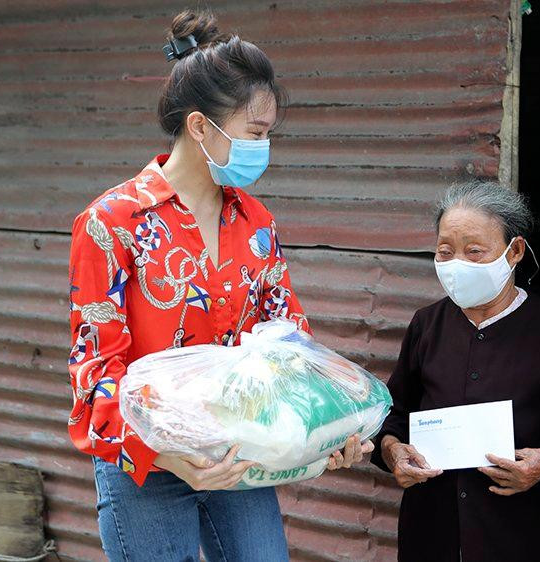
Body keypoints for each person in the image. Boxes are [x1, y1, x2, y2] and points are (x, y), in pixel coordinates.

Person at [66, 10, 370, 561]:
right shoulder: (112, 224)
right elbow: (94, 370)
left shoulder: (256, 225)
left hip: (240, 447)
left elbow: (288, 342)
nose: (264, 148)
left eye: (268, 134)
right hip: (146, 464)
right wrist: (162, 454)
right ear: (201, 126)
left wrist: (329, 425)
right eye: (255, 133)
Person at [370, 180, 540, 561]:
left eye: (475, 252)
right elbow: (394, 414)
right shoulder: (426, 325)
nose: (456, 265)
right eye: (445, 252)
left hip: (521, 534)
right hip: (432, 532)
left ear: (514, 252)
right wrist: (393, 451)